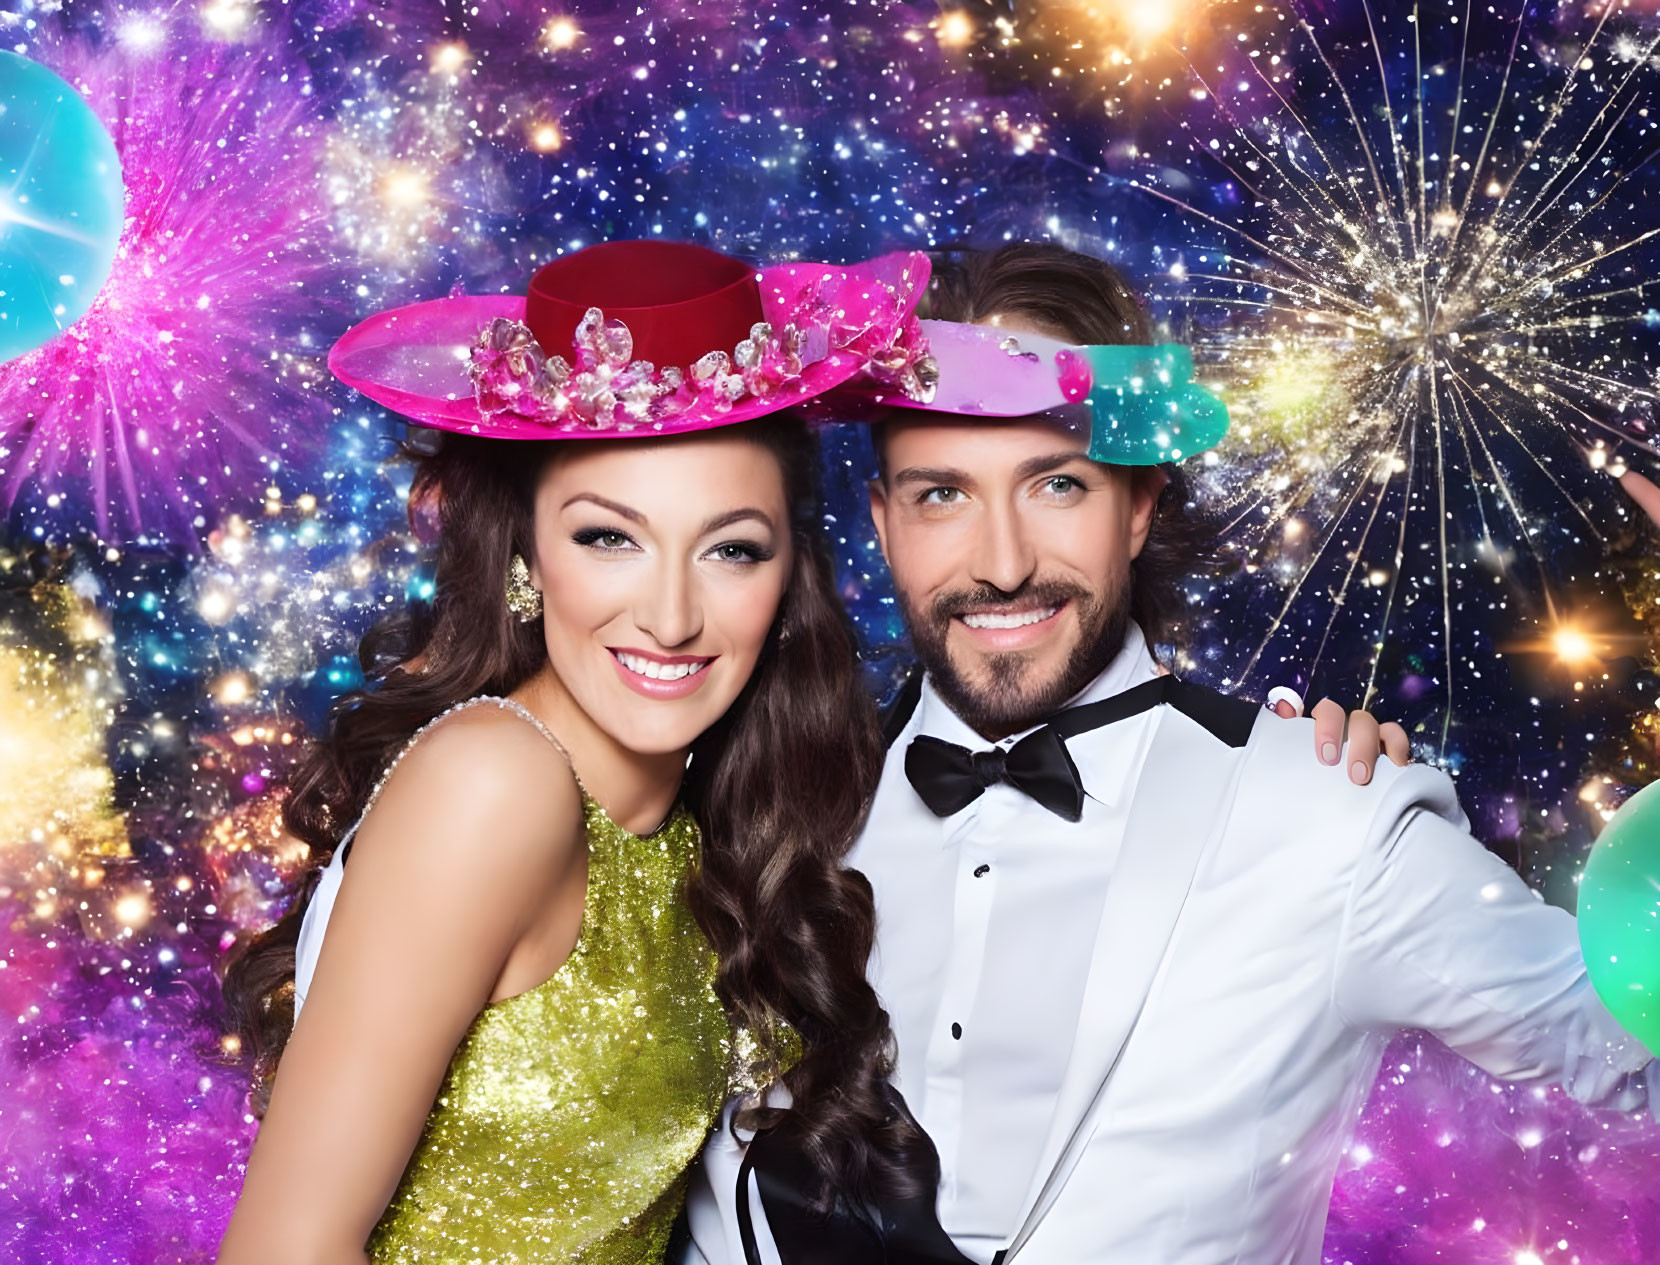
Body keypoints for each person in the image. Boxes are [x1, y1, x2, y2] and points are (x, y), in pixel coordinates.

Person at [683, 243, 1659, 1265]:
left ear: (1139, 504)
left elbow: (1631, 1053)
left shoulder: (1332, 812)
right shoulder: (767, 805)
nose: (1002, 561)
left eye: (1055, 484)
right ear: (883, 523)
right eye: (941, 495)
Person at [216, 239, 946, 1264]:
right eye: (610, 537)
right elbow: (284, 1249)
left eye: (730, 548)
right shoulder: (492, 781)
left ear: (787, 583)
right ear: (525, 557)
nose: (671, 613)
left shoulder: (699, 830)